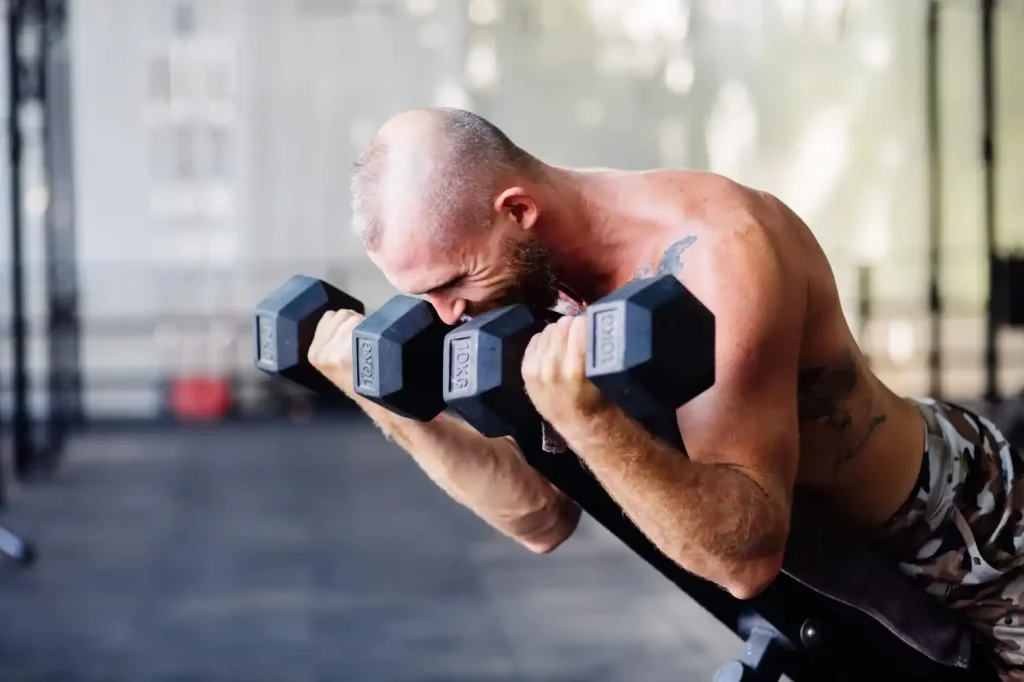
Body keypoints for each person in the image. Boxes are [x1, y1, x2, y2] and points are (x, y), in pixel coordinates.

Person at [307, 107, 1024, 678]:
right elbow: (538, 519)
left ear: (518, 211)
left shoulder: (718, 252)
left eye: (451, 284)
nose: (448, 317)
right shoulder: (529, 288)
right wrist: (386, 402)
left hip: (967, 530)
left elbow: (743, 558)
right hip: (829, 587)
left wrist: (588, 421)